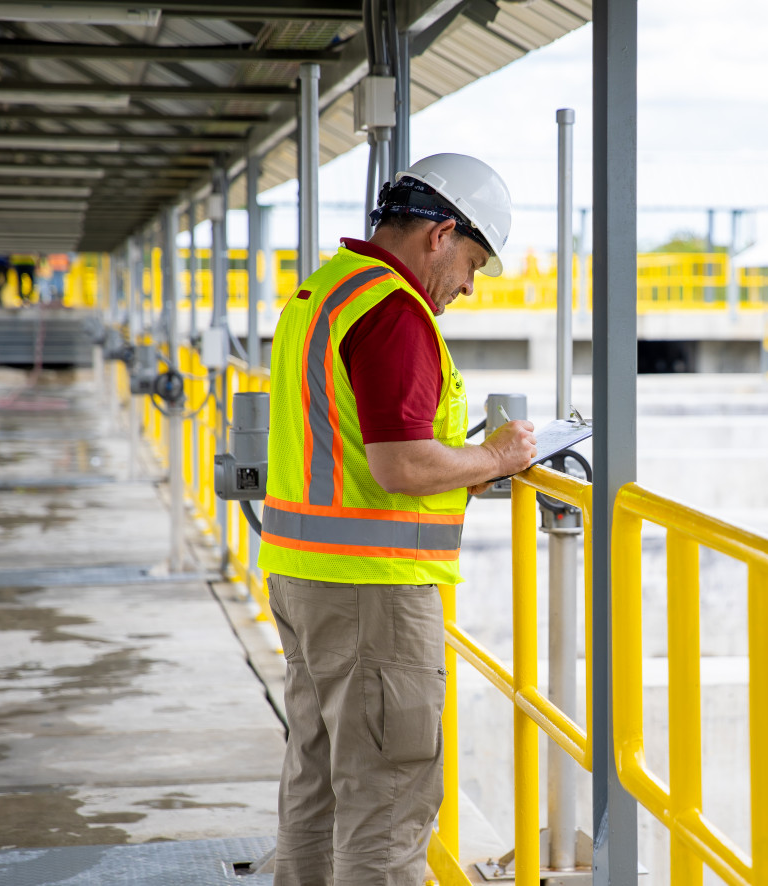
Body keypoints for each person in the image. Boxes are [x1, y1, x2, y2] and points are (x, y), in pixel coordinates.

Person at [257, 153, 537, 886]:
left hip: (303, 575)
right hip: (371, 592)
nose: (468, 286)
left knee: (317, 782)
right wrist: (497, 456)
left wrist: (464, 468)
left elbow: (352, 448)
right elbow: (401, 465)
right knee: (387, 801)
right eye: (472, 264)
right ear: (441, 235)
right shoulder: (395, 313)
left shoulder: (324, 291)